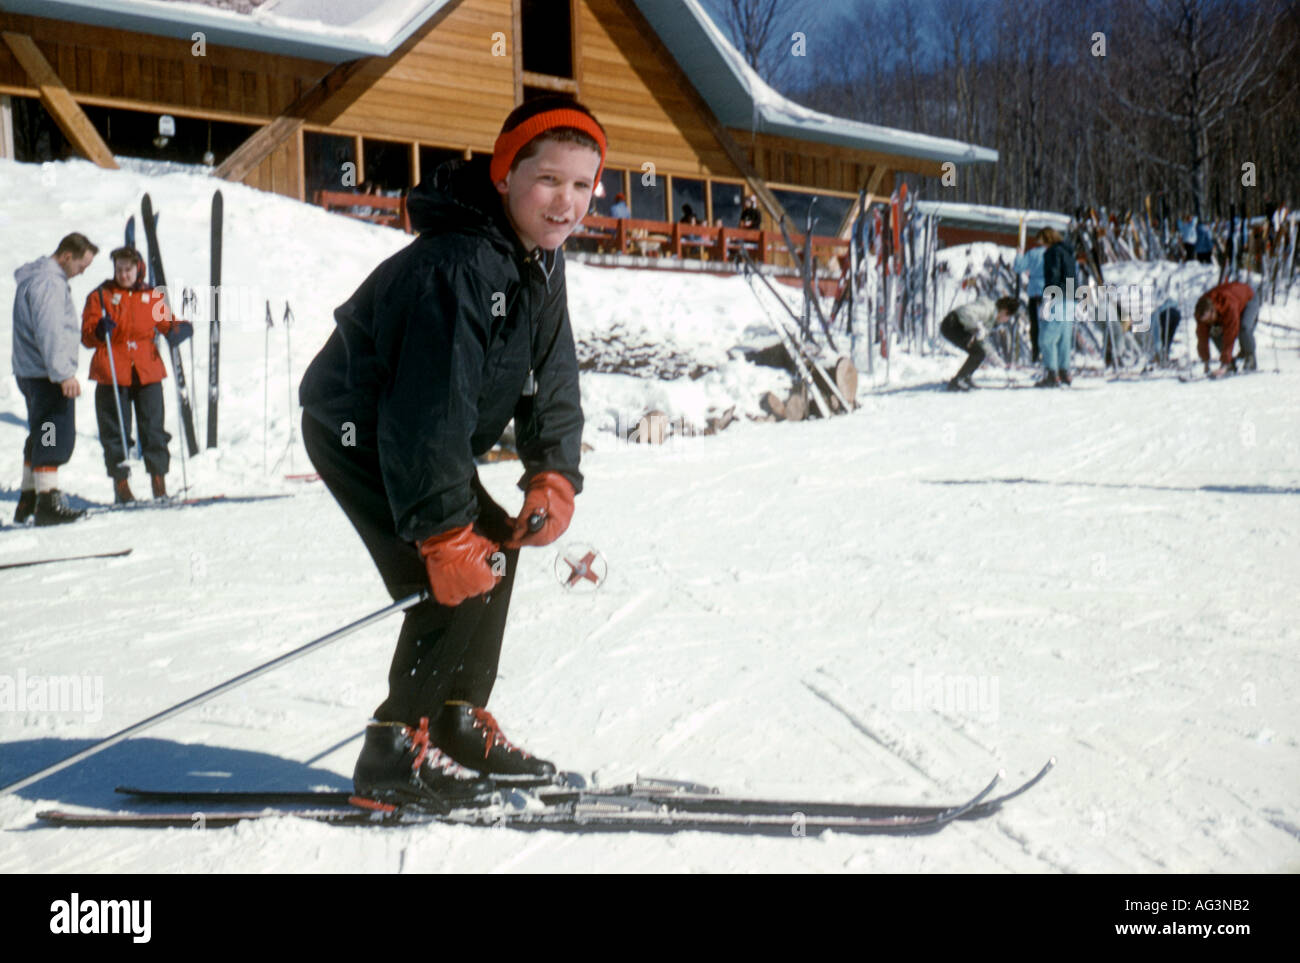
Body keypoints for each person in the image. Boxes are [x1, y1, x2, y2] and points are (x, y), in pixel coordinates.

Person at [298, 95, 597, 810]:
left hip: (423, 434)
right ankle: (394, 749)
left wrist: (552, 470)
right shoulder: (461, 263)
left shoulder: (538, 262)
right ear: (503, 174)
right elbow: (425, 405)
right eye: (549, 179)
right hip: (364, 429)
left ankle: (459, 718)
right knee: (453, 570)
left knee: (495, 542)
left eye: (583, 184)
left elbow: (552, 372)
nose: (567, 202)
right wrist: (439, 529)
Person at [80, 245, 192, 503]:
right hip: (112, 369)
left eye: (128, 269)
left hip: (146, 369)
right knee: (116, 430)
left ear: (138, 269)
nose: (123, 274)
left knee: (153, 427)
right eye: (119, 269)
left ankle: (158, 481)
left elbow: (165, 323)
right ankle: (121, 486)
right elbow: (87, 335)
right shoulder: (101, 295)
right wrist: (98, 330)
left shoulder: (151, 296)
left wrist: (178, 329)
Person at [11, 233, 98, 526]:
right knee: (52, 431)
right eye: (81, 265)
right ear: (66, 256)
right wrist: (62, 374)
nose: (82, 272)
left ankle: (28, 499)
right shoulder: (49, 283)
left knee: (41, 430)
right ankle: (48, 502)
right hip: (46, 374)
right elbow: (49, 331)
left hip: (32, 372)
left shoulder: (36, 278)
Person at [939, 297, 1018, 391]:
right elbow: (965, 312)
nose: (1007, 320)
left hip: (956, 326)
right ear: (1004, 311)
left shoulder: (991, 320)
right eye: (1008, 317)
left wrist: (1000, 363)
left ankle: (964, 378)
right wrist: (977, 327)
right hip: (951, 324)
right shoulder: (987, 309)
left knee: (979, 352)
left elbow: (984, 344)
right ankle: (958, 381)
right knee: (978, 353)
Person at [1037, 227, 1077, 387]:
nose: (1041, 246)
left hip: (1057, 296)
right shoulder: (1068, 252)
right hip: (1071, 297)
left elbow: (1053, 274)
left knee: (1047, 338)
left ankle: (1051, 374)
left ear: (1047, 239)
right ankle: (1064, 371)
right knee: (1064, 338)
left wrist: (1048, 298)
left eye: (1041, 242)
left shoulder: (1052, 252)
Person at [1194, 281, 1258, 377]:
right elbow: (1202, 337)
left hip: (1248, 297)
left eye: (1210, 319)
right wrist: (1206, 363)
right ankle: (1230, 364)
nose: (1209, 322)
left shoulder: (1228, 306)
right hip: (1233, 298)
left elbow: (1230, 335)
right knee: (1214, 332)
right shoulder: (1201, 313)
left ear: (1213, 311)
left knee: (1244, 327)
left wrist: (1224, 364)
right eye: (1206, 321)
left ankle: (1250, 358)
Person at [1012, 229, 1048, 362]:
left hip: (1034, 293)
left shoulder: (1032, 254)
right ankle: (1047, 354)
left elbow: (1018, 267)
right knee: (1048, 325)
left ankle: (1035, 353)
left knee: (1035, 325)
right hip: (1050, 293)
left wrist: (1019, 255)